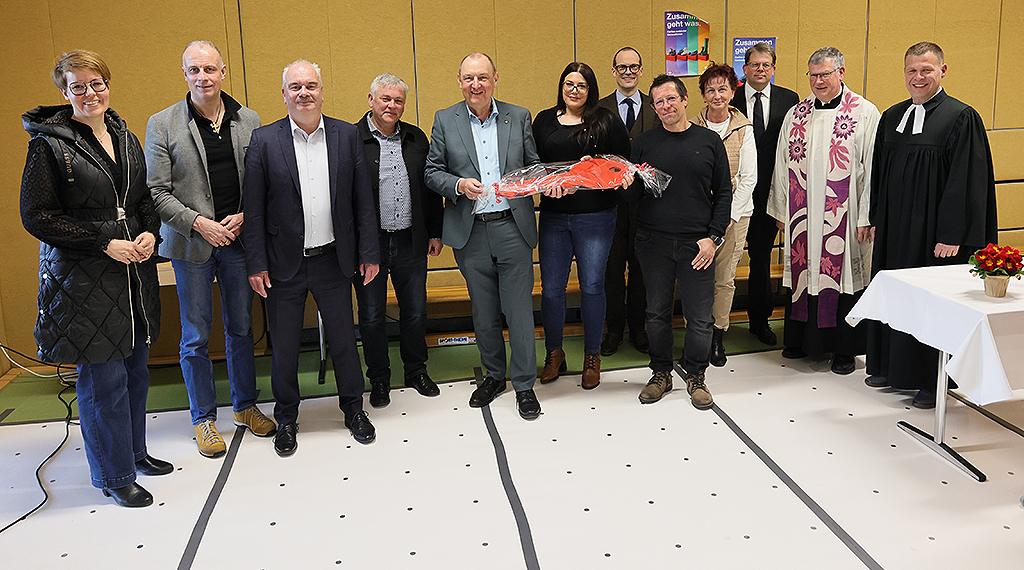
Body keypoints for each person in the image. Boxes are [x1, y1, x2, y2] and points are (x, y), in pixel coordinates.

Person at [21, 50, 171, 507]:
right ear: (64, 92)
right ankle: (113, 475)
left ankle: (134, 453)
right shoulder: (48, 145)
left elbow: (142, 199)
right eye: (78, 86)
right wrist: (103, 243)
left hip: (132, 273)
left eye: (96, 83)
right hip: (83, 280)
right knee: (103, 380)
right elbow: (37, 216)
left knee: (135, 371)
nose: (90, 93)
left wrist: (150, 232)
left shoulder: (124, 136)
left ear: (108, 84)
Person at [146, 40, 275, 458]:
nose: (202, 77)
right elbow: (156, 192)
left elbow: (262, 180)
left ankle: (245, 406)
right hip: (192, 245)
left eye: (209, 69)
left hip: (237, 241)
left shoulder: (248, 119)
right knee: (196, 336)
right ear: (184, 74)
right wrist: (200, 223)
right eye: (194, 70)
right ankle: (203, 418)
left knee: (241, 328)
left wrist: (245, 216)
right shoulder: (162, 124)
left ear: (223, 72)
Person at [244, 60, 380, 456]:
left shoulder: (346, 135)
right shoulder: (263, 141)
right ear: (284, 93)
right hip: (282, 265)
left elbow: (362, 200)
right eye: (295, 86)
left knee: (344, 342)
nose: (304, 93)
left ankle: (353, 409)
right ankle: (287, 418)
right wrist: (256, 263)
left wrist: (368, 252)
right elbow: (254, 210)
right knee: (285, 348)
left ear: (321, 91)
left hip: (333, 260)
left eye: (311, 85)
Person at [865, 42, 998, 408]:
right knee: (898, 296)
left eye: (926, 70)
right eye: (912, 70)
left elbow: (966, 182)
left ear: (942, 71)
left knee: (931, 306)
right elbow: (879, 173)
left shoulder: (961, 117)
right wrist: (876, 218)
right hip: (895, 230)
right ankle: (891, 368)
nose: (918, 77)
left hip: (933, 235)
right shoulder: (893, 116)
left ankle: (930, 380)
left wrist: (952, 234)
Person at [424, 53, 544, 420]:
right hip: (470, 231)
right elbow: (431, 172)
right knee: (484, 311)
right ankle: (494, 376)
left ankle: (524, 384)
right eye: (468, 78)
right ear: (459, 81)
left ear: (495, 79)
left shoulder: (518, 116)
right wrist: (458, 184)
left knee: (519, 312)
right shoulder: (445, 119)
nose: (476, 85)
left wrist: (547, 183)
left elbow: (533, 167)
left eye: (482, 77)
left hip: (513, 227)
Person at [768, 46, 880, 375]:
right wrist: (781, 209)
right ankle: (803, 341)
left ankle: (844, 349)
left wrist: (867, 216)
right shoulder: (797, 114)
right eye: (813, 75)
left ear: (841, 73)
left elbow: (874, 168)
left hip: (845, 216)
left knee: (843, 278)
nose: (818, 81)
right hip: (802, 214)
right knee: (804, 272)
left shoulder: (864, 112)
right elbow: (781, 163)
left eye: (825, 74)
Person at [626, 74, 732, 409]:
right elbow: (633, 197)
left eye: (671, 98)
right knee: (656, 313)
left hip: (697, 246)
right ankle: (661, 373)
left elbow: (724, 193)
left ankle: (696, 375)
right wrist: (623, 181)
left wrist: (713, 238)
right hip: (653, 242)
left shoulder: (709, 141)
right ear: (653, 107)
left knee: (700, 318)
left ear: (685, 100)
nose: (665, 106)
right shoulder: (644, 144)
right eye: (658, 101)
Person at [533, 62, 631, 389]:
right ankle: (554, 353)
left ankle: (592, 355)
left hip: (596, 216)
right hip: (554, 217)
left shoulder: (606, 120)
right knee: (551, 289)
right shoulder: (544, 120)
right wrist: (545, 183)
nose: (574, 90)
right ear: (561, 86)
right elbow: (534, 165)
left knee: (591, 286)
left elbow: (624, 164)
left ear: (591, 90)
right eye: (569, 84)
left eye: (582, 85)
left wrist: (599, 167)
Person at [354, 73, 444, 408]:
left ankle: (416, 371)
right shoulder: (351, 139)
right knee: (372, 315)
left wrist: (435, 231)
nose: (392, 106)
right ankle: (379, 379)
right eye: (385, 99)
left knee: (416, 311)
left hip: (411, 241)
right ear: (371, 100)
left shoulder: (416, 138)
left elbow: (431, 189)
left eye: (398, 100)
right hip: (370, 246)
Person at [731, 42, 800, 345]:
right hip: (734, 193)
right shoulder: (729, 97)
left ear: (773, 68)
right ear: (744, 69)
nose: (761, 69)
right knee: (726, 261)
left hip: (770, 194)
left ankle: (760, 322)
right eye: (755, 64)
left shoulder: (789, 99)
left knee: (760, 259)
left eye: (766, 65)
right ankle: (716, 327)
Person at [691, 63, 756, 367]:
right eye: (710, 90)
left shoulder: (744, 129)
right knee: (695, 277)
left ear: (732, 92)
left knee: (724, 279)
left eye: (723, 89)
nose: (717, 95)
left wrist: (726, 218)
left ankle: (717, 334)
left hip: (735, 217)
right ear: (703, 94)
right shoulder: (692, 126)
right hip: (697, 216)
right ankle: (697, 334)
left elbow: (748, 178)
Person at [597, 47, 659, 356]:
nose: (628, 72)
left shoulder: (656, 106)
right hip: (608, 204)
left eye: (634, 67)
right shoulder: (598, 108)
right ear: (613, 71)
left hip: (646, 204)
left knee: (641, 269)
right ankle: (613, 331)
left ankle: (638, 328)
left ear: (641, 70)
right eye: (622, 67)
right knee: (611, 269)